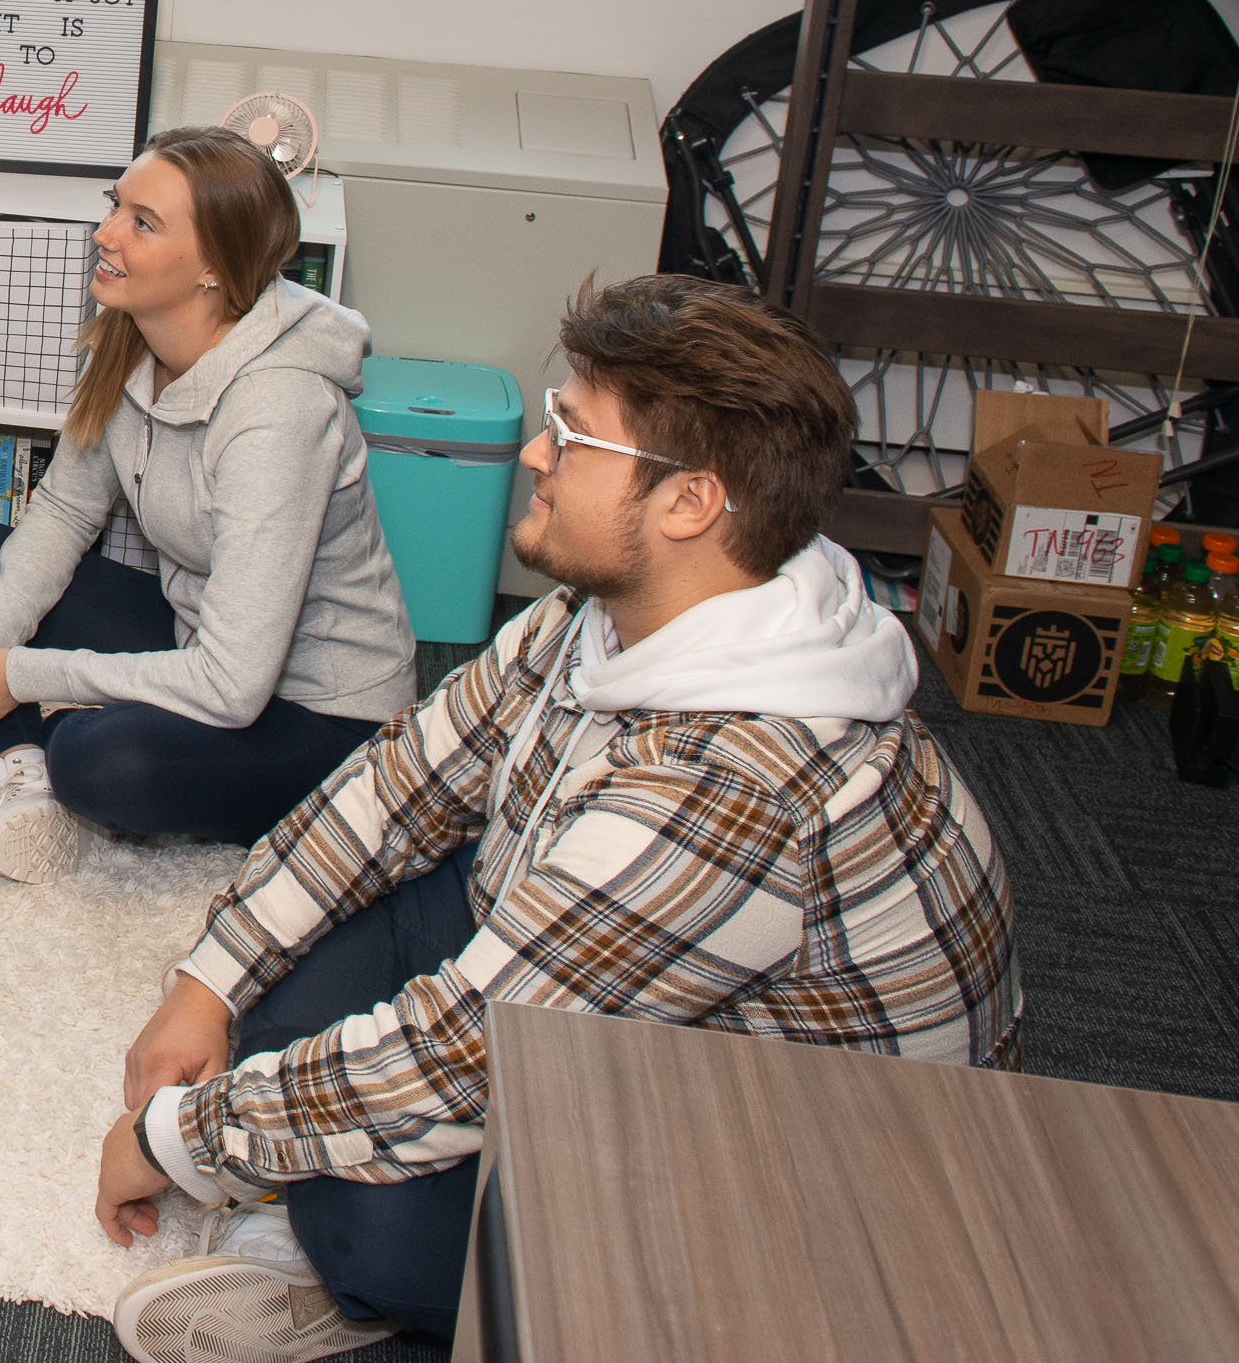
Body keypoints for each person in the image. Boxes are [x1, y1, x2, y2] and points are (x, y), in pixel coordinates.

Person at [91, 275, 1022, 1361]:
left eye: (571, 436)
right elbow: (402, 780)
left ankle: (353, 1282)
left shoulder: (738, 784)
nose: (535, 453)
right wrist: (209, 977)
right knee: (299, 976)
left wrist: (174, 1140)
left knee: (366, 1214)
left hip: (790, 1197)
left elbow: (462, 1058)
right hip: (630, 1015)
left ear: (688, 504)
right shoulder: (615, 607)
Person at [0, 124, 417, 882]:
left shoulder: (280, 410)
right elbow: (65, 512)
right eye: (115, 206)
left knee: (100, 765)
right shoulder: (133, 336)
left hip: (317, 712)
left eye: (142, 223)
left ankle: (47, 745)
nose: (105, 234)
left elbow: (233, 686)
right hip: (193, 632)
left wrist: (25, 676)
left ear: (212, 270)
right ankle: (19, 761)